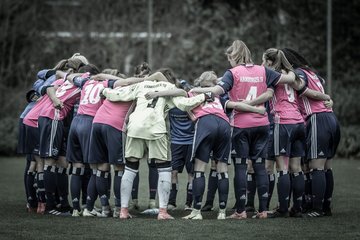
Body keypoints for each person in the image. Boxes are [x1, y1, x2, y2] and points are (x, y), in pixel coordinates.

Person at [191, 40, 297, 219]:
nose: (229, 62)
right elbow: (290, 79)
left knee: (241, 167)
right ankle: (263, 211)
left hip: (241, 125)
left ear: (234, 56)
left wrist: (197, 89)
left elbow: (217, 91)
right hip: (262, 124)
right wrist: (287, 65)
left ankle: (240, 211)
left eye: (230, 58)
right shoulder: (263, 70)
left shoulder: (232, 73)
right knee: (260, 167)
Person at [102, 69, 210, 220]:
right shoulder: (169, 88)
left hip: (135, 128)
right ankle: (163, 212)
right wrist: (205, 96)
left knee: (130, 168)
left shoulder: (141, 85)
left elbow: (120, 94)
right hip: (155, 129)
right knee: (164, 168)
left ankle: (123, 211)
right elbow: (185, 104)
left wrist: (105, 90)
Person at [282, 48, 340, 217]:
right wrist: (328, 99)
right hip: (330, 118)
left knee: (317, 167)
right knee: (325, 167)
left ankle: (317, 208)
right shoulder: (312, 73)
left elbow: (311, 93)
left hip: (317, 119)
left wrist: (325, 97)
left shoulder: (299, 74)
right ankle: (324, 206)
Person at [83, 67, 148, 217]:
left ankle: (104, 208)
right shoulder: (137, 90)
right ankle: (119, 209)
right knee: (119, 168)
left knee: (101, 167)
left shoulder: (117, 85)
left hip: (97, 122)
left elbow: (100, 75)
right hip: (113, 125)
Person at [261, 48, 306, 217]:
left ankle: (282, 209)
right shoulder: (295, 75)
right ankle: (298, 209)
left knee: (283, 168)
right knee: (297, 167)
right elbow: (298, 85)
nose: (263, 64)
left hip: (283, 122)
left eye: (264, 60)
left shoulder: (272, 75)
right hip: (299, 123)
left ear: (270, 62)